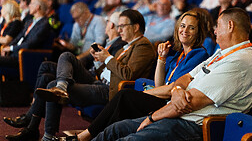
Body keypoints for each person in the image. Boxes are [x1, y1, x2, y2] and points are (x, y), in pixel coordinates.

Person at [90, 7, 252, 141]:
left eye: (218, 26)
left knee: (127, 138)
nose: (215, 31)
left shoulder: (238, 62)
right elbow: (186, 78)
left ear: (230, 26)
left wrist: (152, 118)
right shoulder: (222, 53)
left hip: (193, 124)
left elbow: (191, 101)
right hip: (178, 114)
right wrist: (177, 90)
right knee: (115, 129)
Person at [58, 10, 211, 141]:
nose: (185, 30)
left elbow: (172, 88)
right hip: (163, 99)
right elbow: (160, 85)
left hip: (172, 106)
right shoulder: (178, 55)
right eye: (183, 26)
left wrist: (142, 93)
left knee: (125, 95)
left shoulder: (198, 54)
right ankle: (90, 134)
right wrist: (162, 59)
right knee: (122, 107)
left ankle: (86, 135)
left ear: (198, 32)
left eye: (191, 28)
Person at [6, 9, 156, 141]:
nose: (120, 30)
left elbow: (127, 74)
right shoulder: (125, 47)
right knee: (66, 56)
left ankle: (48, 135)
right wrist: (98, 61)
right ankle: (61, 86)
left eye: (122, 26)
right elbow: (108, 71)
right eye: (118, 26)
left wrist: (107, 58)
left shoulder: (143, 46)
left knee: (50, 84)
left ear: (136, 27)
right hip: (99, 82)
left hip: (109, 91)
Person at [0, 0, 51, 71]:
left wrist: (11, 48)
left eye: (31, 3)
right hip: (15, 54)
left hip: (26, 57)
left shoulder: (44, 24)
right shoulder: (29, 22)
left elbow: (30, 44)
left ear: (38, 7)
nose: (29, 5)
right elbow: (18, 37)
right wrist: (6, 48)